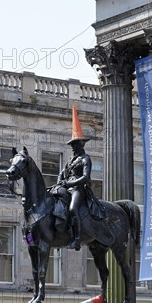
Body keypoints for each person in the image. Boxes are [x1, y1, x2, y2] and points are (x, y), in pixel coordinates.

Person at [57, 106, 105, 250]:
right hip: (67, 188)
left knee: (72, 209)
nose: (72, 147)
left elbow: (85, 177)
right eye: (71, 144)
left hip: (78, 189)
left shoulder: (85, 159)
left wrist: (70, 182)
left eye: (74, 144)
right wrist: (60, 181)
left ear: (81, 144)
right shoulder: (71, 160)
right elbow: (62, 172)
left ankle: (76, 239)